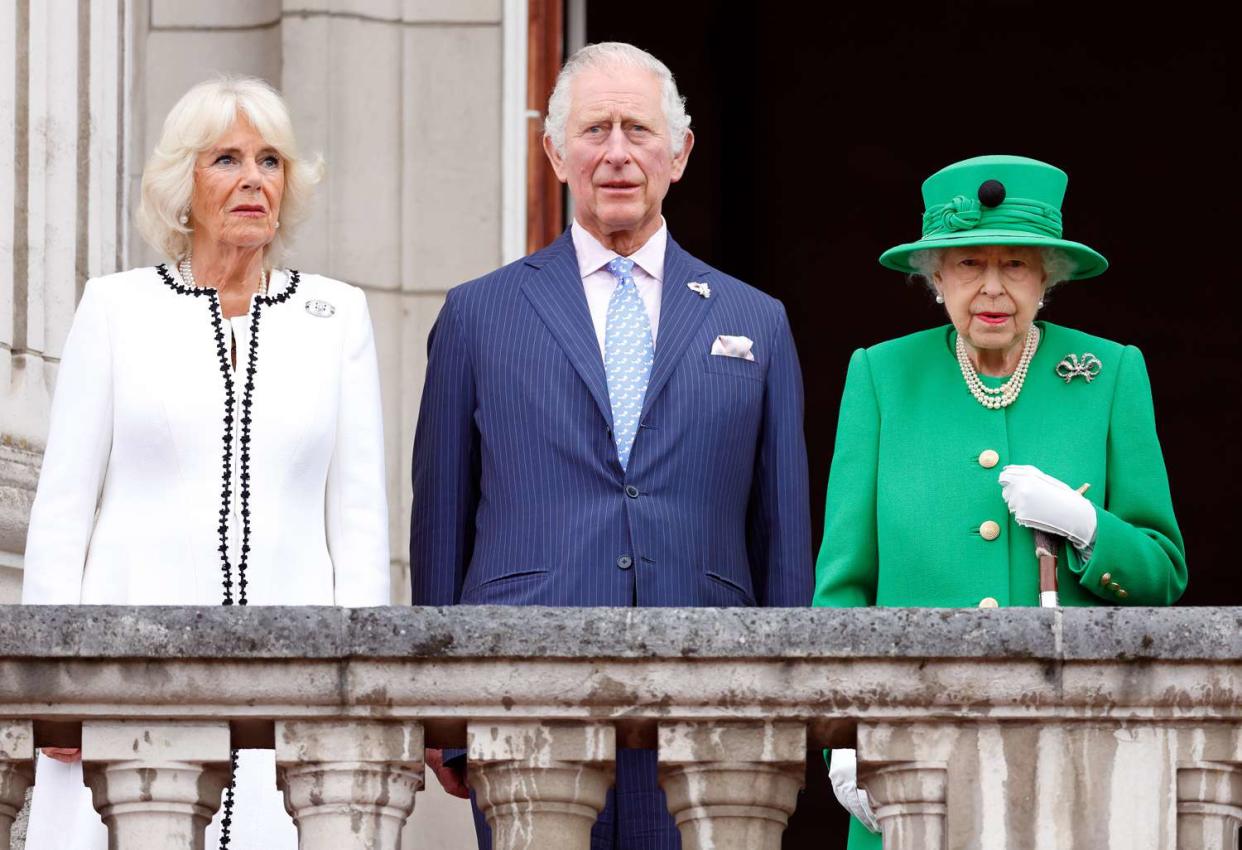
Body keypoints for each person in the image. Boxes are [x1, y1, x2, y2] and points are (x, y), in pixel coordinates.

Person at [410, 41, 811, 849]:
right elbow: (441, 526)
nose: (618, 154)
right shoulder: (477, 315)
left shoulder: (756, 320)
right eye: (595, 130)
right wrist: (444, 713)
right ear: (555, 152)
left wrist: (787, 709)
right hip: (523, 699)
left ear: (680, 153)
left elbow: (784, 535)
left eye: (639, 130)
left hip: (709, 708)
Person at [21, 76, 391, 849]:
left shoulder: (337, 317)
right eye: (226, 158)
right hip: (125, 677)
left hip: (291, 687)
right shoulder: (115, 309)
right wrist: (50, 685)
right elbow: (62, 510)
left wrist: (366, 694)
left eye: (271, 161)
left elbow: (358, 523)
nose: (254, 179)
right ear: (182, 184)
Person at [814, 154, 1187, 849]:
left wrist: (1086, 527)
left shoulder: (1109, 373)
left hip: (1069, 753)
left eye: (1015, 265)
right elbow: (843, 588)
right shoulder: (880, 377)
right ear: (935, 278)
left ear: (1049, 275)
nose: (992, 288)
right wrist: (845, 735)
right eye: (968, 264)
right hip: (912, 754)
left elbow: (1162, 573)